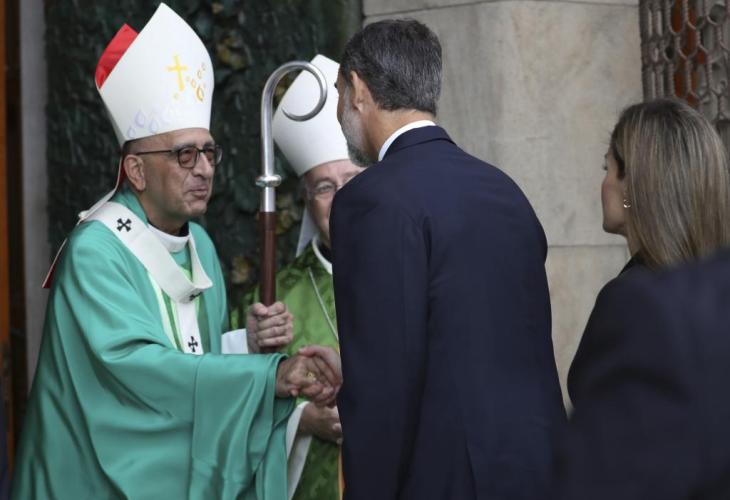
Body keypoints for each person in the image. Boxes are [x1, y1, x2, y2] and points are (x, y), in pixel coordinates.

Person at [12, 4, 340, 498]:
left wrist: (245, 345)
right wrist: (268, 377)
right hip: (91, 478)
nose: (204, 169)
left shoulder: (199, 244)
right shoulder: (95, 252)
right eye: (185, 154)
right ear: (136, 171)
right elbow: (140, 372)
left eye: (209, 152)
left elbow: (195, 356)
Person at [330, 19, 566, 500]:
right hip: (540, 472)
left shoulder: (371, 199)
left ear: (358, 89)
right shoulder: (504, 190)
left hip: (441, 480)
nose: (339, 112)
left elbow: (384, 384)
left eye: (339, 94)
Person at [557, 98, 730, 499]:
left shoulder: (638, 307)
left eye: (607, 169)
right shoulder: (711, 300)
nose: (603, 184)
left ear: (632, 185)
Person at [231, 54, 363, 500]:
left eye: (352, 180)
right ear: (307, 201)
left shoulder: (416, 275)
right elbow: (228, 397)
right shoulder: (274, 298)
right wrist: (300, 420)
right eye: (325, 187)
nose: (342, 199)